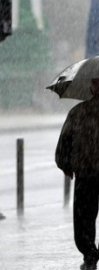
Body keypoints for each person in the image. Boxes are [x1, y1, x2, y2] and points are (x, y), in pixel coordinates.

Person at [55, 78, 99, 270]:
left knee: (83, 218)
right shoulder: (77, 112)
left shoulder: (78, 112)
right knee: (84, 219)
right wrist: (65, 163)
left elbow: (64, 142)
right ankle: (90, 253)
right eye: (96, 83)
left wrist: (65, 164)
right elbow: (65, 141)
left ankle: (90, 254)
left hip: (85, 173)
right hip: (85, 173)